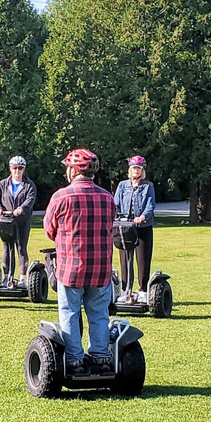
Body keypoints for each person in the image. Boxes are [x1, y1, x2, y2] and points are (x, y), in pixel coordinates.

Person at [43, 148, 116, 373]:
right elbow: (112, 225)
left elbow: (49, 229)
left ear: (73, 170)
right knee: (99, 314)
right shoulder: (107, 197)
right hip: (100, 269)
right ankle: (102, 358)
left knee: (70, 313)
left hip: (70, 269)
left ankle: (74, 361)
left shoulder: (61, 196)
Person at [112, 155, 156, 303]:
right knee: (125, 257)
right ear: (130, 170)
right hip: (125, 227)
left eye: (138, 168)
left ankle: (143, 289)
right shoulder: (123, 185)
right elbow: (116, 203)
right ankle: (125, 289)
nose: (136, 171)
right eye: (133, 168)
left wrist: (142, 217)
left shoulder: (148, 186)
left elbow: (150, 205)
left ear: (142, 170)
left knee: (142, 258)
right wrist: (116, 216)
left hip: (143, 226)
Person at [0, 155, 38, 285]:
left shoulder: (29, 185)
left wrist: (21, 209)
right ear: (10, 169)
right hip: (5, 221)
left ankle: (22, 278)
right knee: (7, 248)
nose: (17, 171)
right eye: (15, 168)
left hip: (22, 221)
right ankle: (7, 278)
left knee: (21, 248)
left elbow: (30, 200)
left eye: (20, 168)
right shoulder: (3, 184)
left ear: (23, 169)